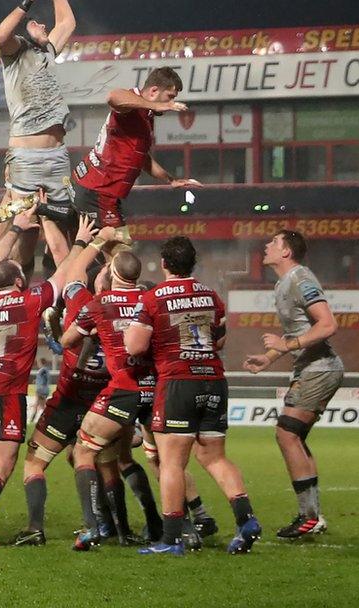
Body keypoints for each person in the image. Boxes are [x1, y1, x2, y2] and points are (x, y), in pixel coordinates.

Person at [0, 204, 109, 547]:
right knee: (3, 464)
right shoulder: (28, 301)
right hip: (6, 393)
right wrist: (81, 242)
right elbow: (64, 274)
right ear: (20, 281)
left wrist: (17, 228)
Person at [127, 236, 260, 556]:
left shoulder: (154, 298)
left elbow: (134, 346)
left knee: (171, 462)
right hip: (213, 380)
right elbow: (220, 341)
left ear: (164, 264)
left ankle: (171, 539)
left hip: (178, 383)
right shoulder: (211, 296)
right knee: (214, 457)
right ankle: (247, 521)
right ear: (193, 263)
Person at [242, 229, 341, 539]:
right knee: (294, 436)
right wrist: (270, 358)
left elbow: (328, 324)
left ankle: (308, 516)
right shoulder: (283, 283)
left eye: (274, 242)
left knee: (286, 433)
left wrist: (287, 345)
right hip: (310, 367)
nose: (267, 246)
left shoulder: (300, 279)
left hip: (320, 367)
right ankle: (313, 517)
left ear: (286, 252)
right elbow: (297, 335)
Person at [67, 248, 163, 550]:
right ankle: (169, 523)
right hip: (155, 387)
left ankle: (95, 526)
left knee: (83, 453)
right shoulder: (151, 299)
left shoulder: (99, 304)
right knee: (152, 460)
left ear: (111, 275)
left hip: (119, 390)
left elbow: (67, 340)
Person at [0, 0, 79, 244]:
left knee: (56, 236)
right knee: (19, 233)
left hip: (57, 157)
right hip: (27, 157)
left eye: (45, 26)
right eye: (37, 23)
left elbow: (67, 22)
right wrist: (27, 1)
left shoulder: (48, 51)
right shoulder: (17, 53)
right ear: (27, 30)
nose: (44, 25)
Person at [15, 268, 110, 546]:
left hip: (70, 398)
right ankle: (97, 526)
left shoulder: (82, 300)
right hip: (101, 401)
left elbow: (68, 265)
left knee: (34, 462)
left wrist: (86, 240)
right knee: (84, 457)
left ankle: (35, 528)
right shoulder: (129, 308)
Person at [70, 67, 204, 238]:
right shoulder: (132, 103)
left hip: (95, 189)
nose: (170, 103)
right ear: (154, 91)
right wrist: (157, 105)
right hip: (98, 191)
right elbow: (113, 96)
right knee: (122, 256)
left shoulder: (146, 115)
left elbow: (141, 158)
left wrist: (171, 179)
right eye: (170, 97)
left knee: (88, 251)